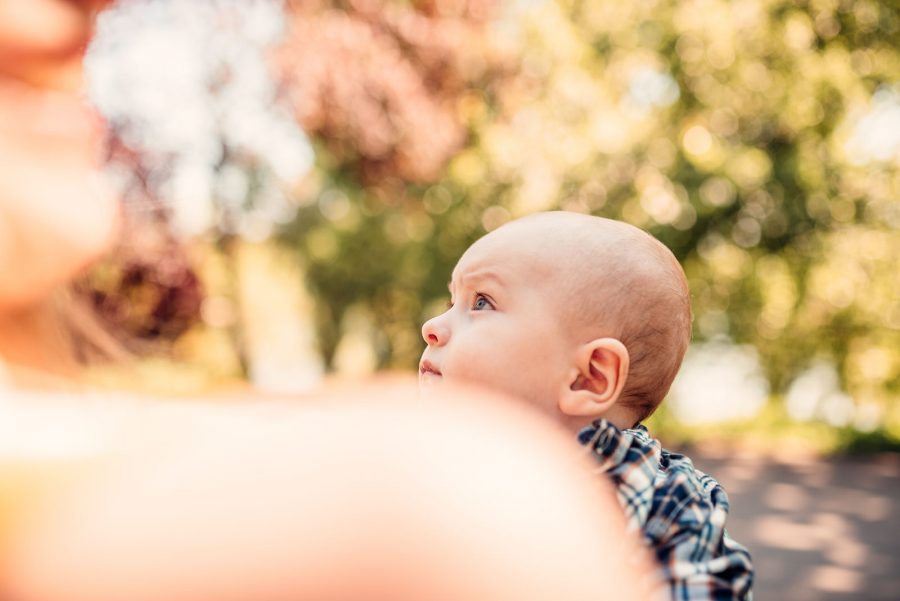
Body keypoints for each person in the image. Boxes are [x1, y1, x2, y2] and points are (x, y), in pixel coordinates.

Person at [0, 2, 653, 599]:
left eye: (482, 304)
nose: (101, 4)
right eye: (462, 301)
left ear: (594, 376)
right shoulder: (434, 518)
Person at [420, 210, 754, 600]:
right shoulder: (433, 468)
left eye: (481, 302)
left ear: (588, 377)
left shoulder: (661, 505)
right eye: (451, 300)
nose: (432, 325)